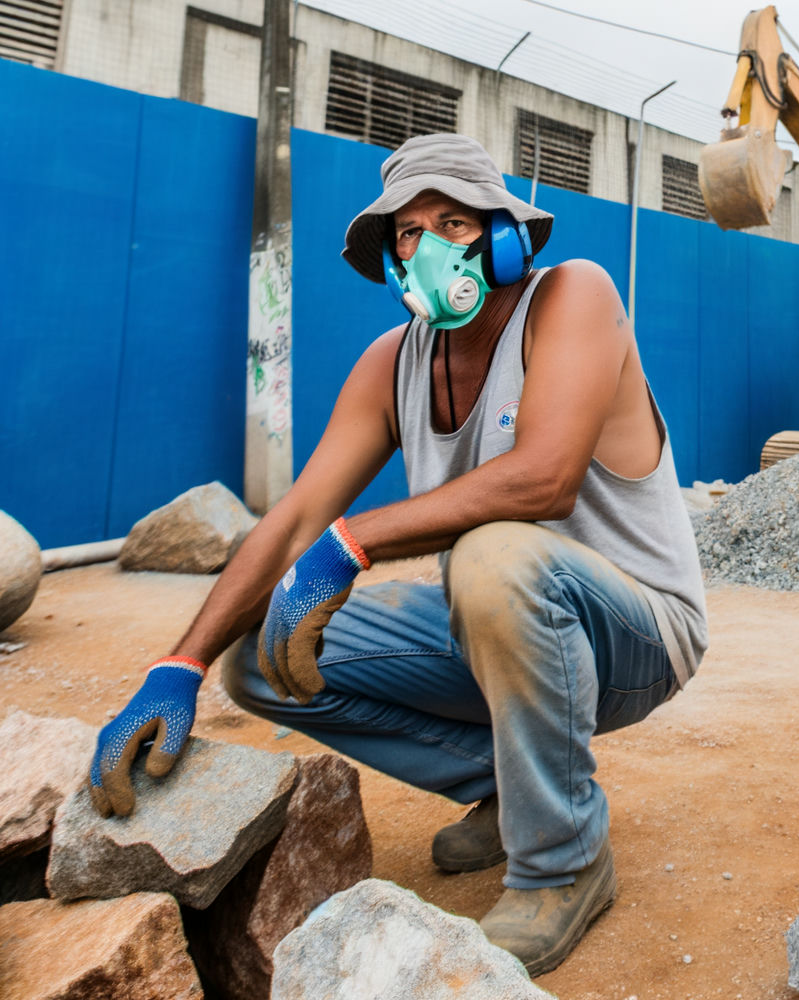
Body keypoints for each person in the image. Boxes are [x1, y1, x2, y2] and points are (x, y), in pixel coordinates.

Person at [86, 133, 707, 976]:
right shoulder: (393, 364)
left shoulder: (571, 297)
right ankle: (517, 788)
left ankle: (563, 863)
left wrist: (354, 543)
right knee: (262, 655)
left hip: (636, 633)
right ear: (390, 257)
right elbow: (299, 513)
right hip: (496, 627)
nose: (432, 246)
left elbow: (545, 482)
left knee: (493, 554)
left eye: (455, 220)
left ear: (505, 234)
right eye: (411, 232)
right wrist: (179, 666)